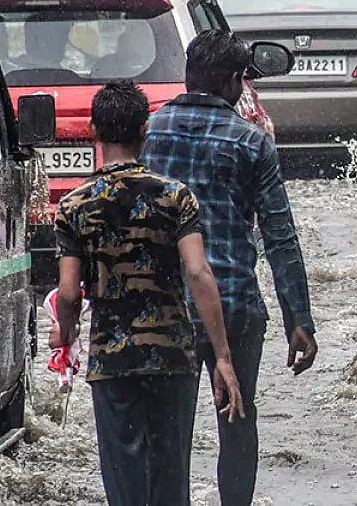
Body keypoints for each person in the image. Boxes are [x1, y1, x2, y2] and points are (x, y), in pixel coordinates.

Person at [141, 30, 317, 506]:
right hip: (234, 303)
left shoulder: (150, 133)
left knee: (168, 429)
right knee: (237, 418)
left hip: (165, 305)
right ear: (236, 82)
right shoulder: (251, 141)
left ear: (188, 74)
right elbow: (279, 235)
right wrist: (298, 318)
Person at [53, 81, 244, 506]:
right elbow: (197, 272)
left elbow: (68, 292)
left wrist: (65, 333)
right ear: (145, 130)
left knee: (124, 482)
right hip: (172, 355)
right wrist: (223, 357)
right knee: (170, 476)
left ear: (92, 130)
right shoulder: (175, 197)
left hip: (112, 361)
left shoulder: (74, 206)